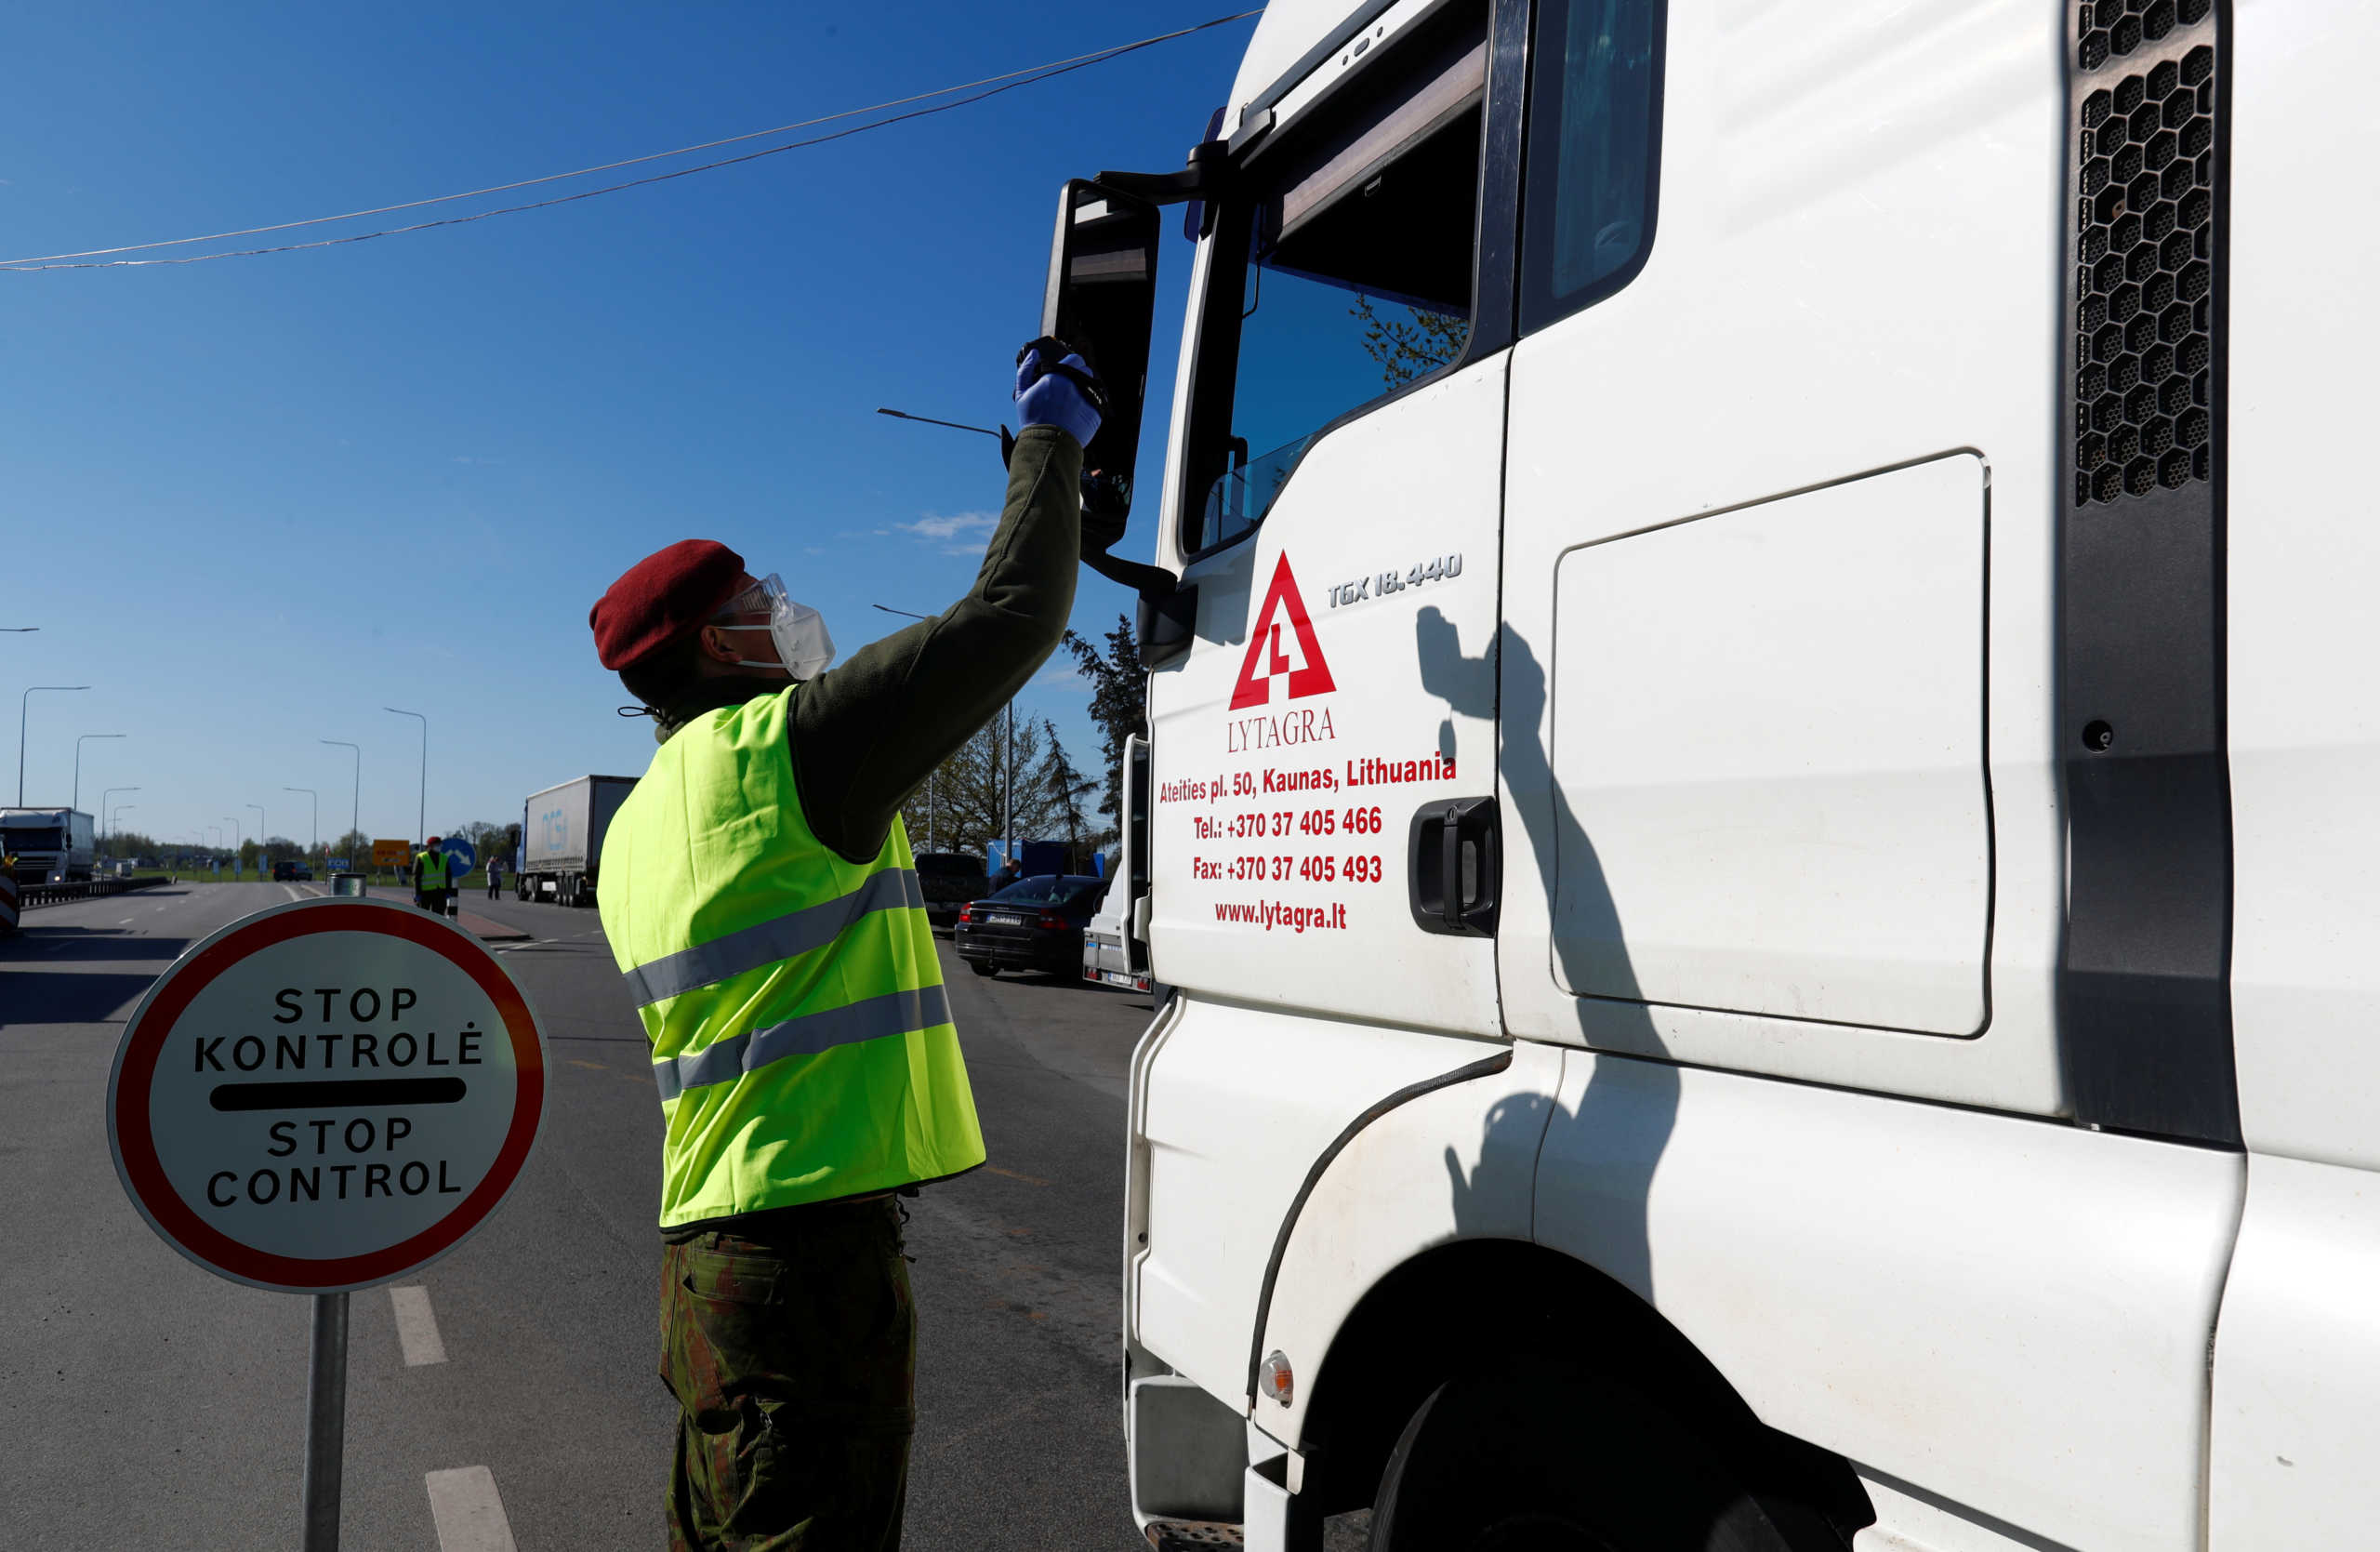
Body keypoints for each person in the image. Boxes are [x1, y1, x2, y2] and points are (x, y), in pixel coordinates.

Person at [587, 338, 1104, 1551]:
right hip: (803, 1270)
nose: (783, 610)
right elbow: (1011, 616)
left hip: (706, 1265)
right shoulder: (791, 752)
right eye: (756, 604)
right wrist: (1053, 446)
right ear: (717, 648)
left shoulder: (645, 817)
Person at [413, 836, 451, 913]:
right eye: (437, 845)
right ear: (430, 846)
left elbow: (448, 876)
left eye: (440, 845)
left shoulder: (444, 858)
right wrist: (417, 894)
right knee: (423, 917)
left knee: (438, 918)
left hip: (440, 892)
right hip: (424, 893)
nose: (439, 847)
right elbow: (416, 877)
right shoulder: (422, 857)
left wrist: (448, 891)